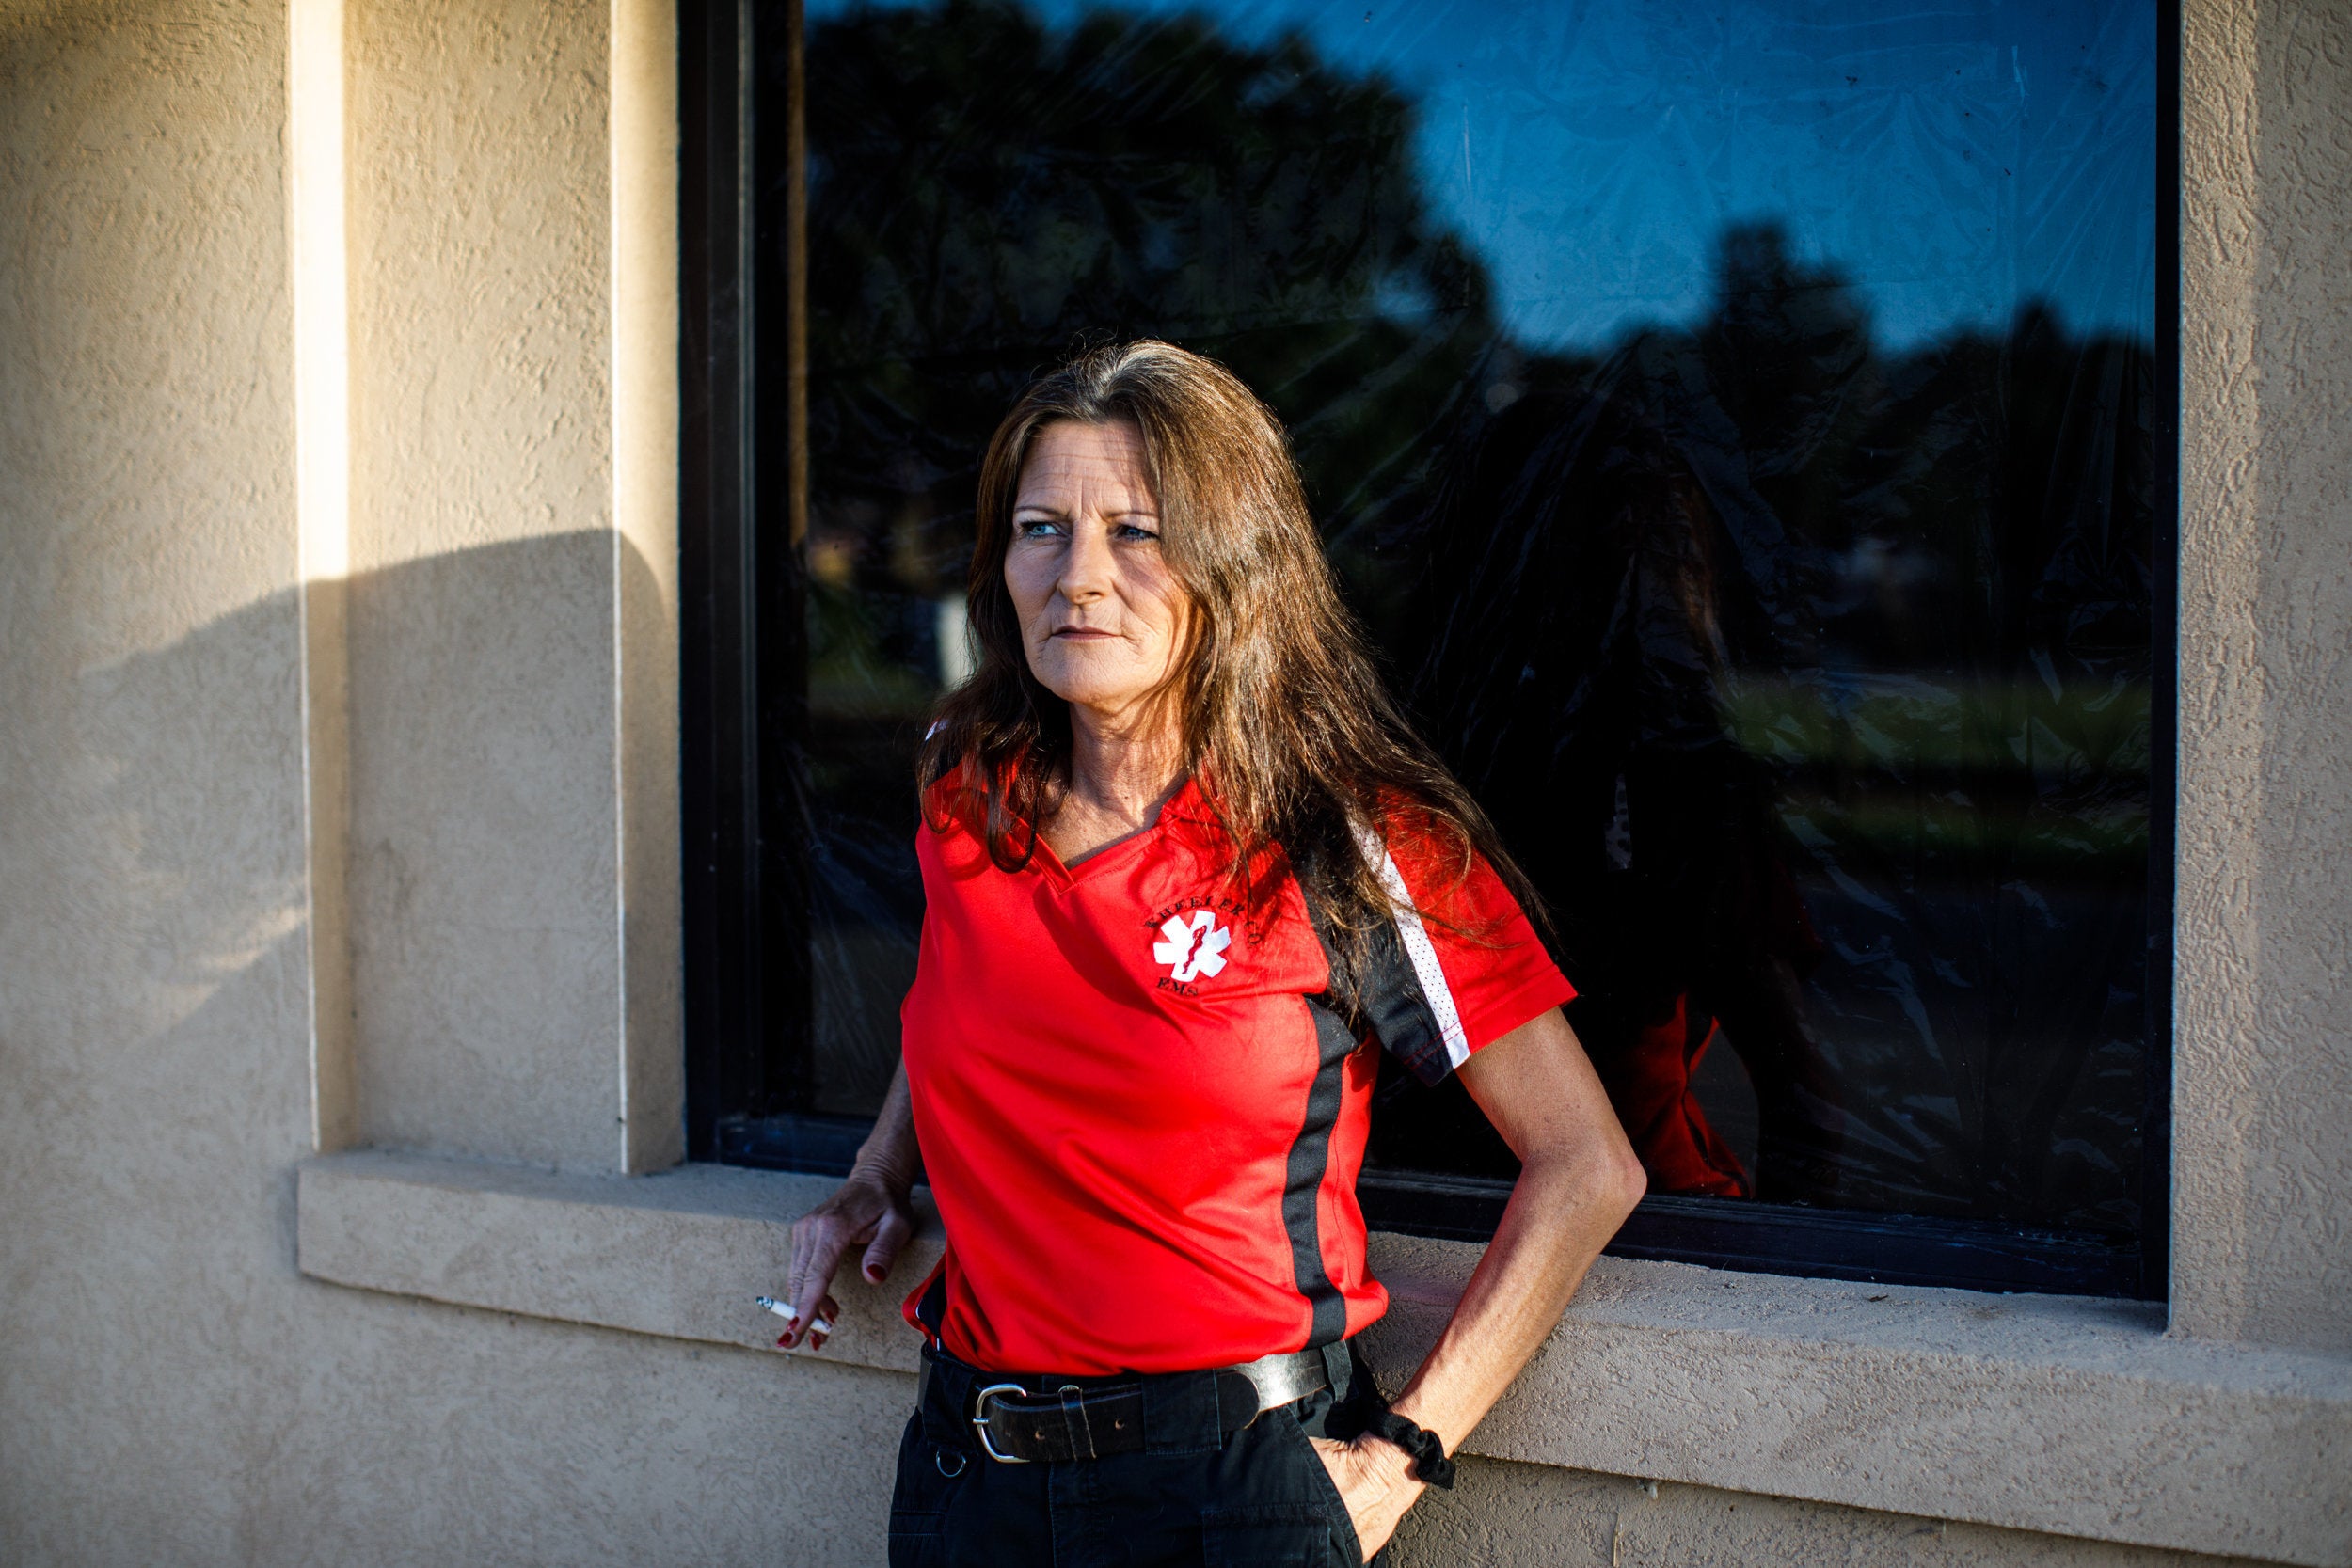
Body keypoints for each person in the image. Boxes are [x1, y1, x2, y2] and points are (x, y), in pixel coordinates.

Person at [779, 341, 1646, 1566]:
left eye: (1138, 531)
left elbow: (1585, 1165)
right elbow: (959, 998)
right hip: (967, 1470)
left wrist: (1404, 1455)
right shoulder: (966, 781)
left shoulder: (1351, 834)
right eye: (1041, 527)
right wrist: (877, 1171)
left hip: (1233, 1481)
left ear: (1233, 562)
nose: (1080, 576)